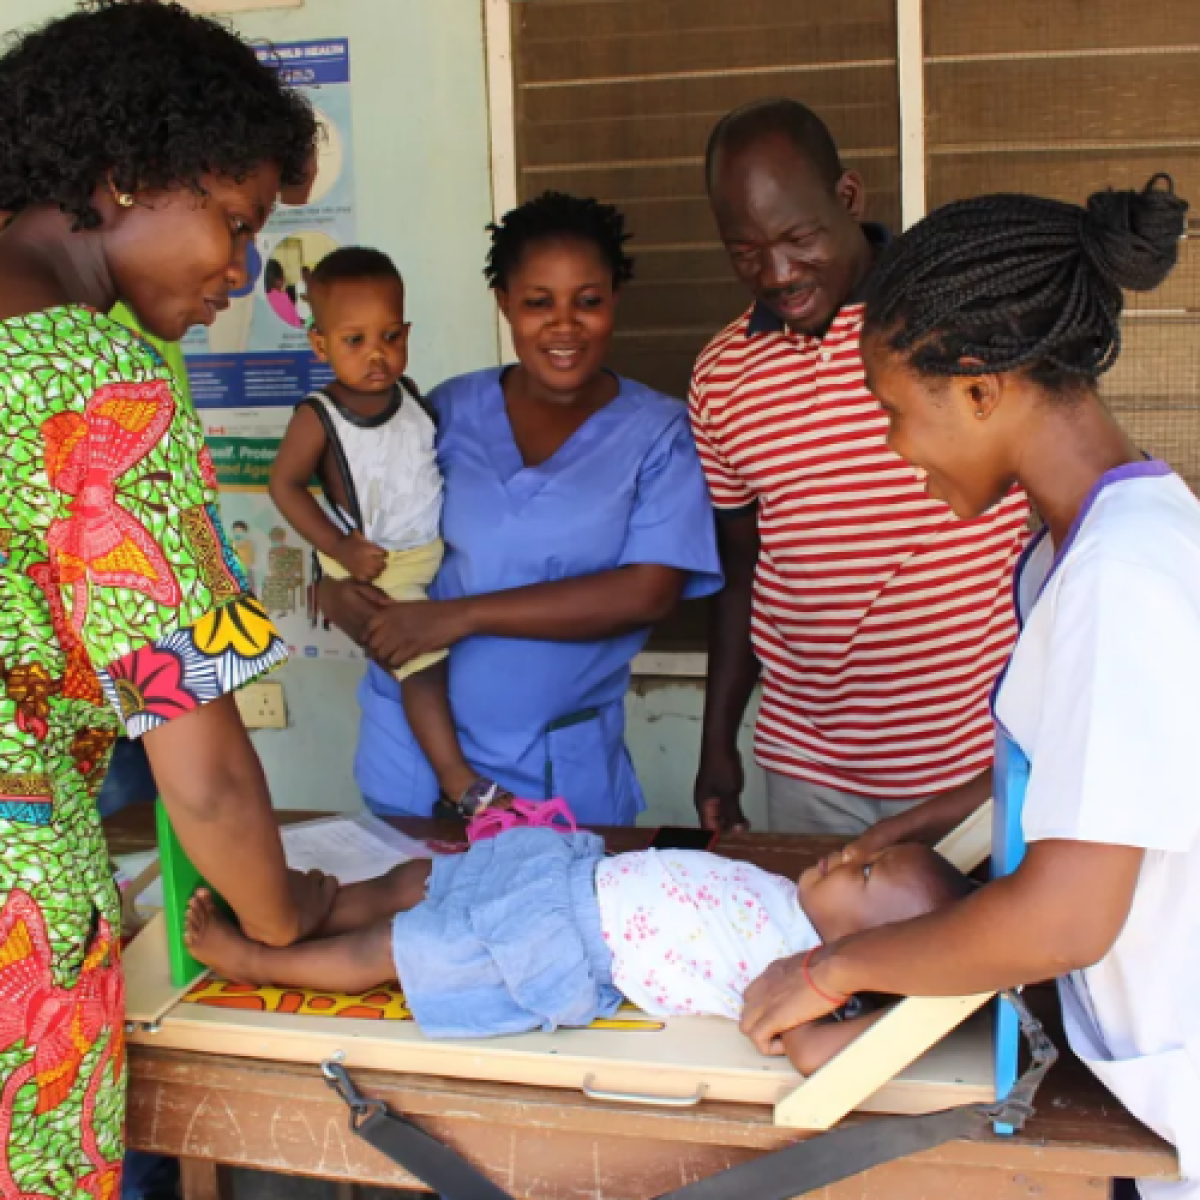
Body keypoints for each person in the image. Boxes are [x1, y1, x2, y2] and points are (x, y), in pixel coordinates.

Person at [739, 178, 1196, 1200]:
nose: (899, 449)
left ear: (983, 389)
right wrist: (947, 810)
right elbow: (1095, 769)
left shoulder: (1122, 575)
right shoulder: (1068, 551)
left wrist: (832, 972)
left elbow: (1067, 918)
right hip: (1130, 1063)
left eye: (898, 413)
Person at [0, 4, 339, 1195]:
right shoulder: (102, 380)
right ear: (130, 173)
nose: (240, 273)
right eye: (236, 224)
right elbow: (196, 748)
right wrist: (290, 911)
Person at [319, 192, 723, 826]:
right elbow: (367, 535)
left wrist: (461, 617)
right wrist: (337, 596)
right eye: (538, 302)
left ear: (614, 298)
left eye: (587, 301)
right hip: (414, 765)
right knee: (404, 923)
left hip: (556, 778)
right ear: (505, 301)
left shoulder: (661, 434)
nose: (563, 325)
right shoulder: (441, 413)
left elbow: (647, 591)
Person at [689, 99, 1030, 841]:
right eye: (744, 248)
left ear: (848, 198)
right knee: (825, 952)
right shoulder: (721, 376)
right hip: (807, 766)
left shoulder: (958, 327)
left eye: (798, 237)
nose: (775, 272)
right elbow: (742, 566)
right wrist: (718, 740)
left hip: (969, 755)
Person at [185, 825, 972, 1072]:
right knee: (417, 878)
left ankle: (261, 962)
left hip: (559, 940)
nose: (846, 855)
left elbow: (804, 1052)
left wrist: (911, 1000)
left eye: (865, 873)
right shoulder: (795, 910)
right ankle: (306, 910)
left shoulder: (805, 974)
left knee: (401, 946)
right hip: (561, 880)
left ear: (866, 942)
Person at [271, 247, 511, 814]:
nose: (376, 355)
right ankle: (458, 784)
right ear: (320, 344)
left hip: (422, 556)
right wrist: (339, 551)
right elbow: (284, 486)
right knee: (422, 666)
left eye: (390, 337)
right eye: (354, 341)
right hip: (377, 563)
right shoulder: (319, 415)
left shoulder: (413, 399)